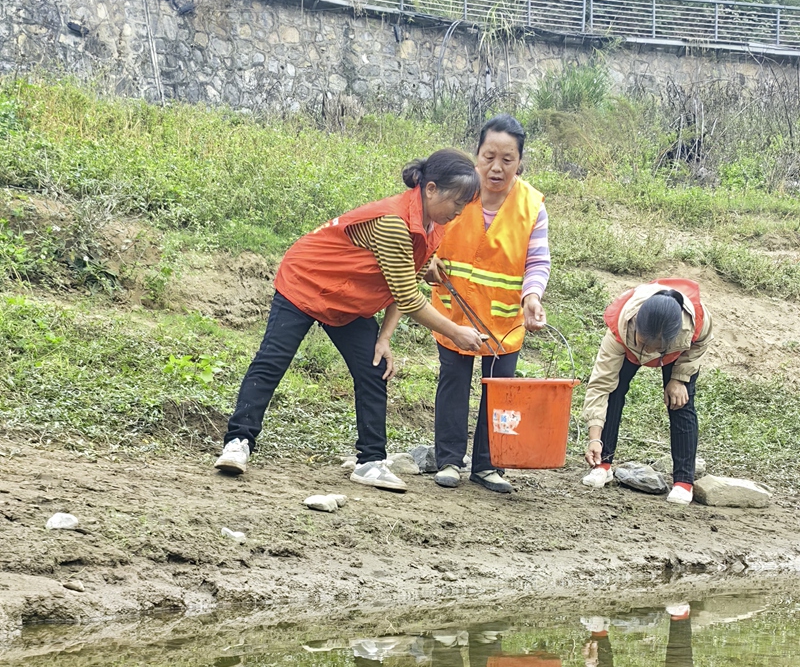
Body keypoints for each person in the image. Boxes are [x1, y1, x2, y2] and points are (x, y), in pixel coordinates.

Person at [214, 150, 485, 491]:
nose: (460, 210)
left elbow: (405, 281)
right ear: (431, 189)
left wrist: (384, 338)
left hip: (348, 300)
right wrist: (455, 331)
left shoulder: (434, 227)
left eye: (466, 203)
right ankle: (238, 443)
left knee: (373, 367)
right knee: (273, 360)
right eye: (457, 200)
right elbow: (409, 297)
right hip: (307, 280)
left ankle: (370, 462)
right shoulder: (393, 223)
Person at [426, 114, 551, 495]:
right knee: (453, 383)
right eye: (488, 156)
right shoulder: (459, 192)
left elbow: (537, 261)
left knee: (499, 389)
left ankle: (489, 465)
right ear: (476, 155)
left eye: (507, 159)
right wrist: (427, 261)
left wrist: (532, 297)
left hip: (504, 319)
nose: (496, 167)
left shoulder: (532, 206)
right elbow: (428, 231)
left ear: (520, 161)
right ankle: (448, 460)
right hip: (454, 310)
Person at [582, 278, 714, 505]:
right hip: (627, 348)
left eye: (656, 347)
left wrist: (679, 378)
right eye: (644, 343)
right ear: (635, 323)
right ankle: (603, 463)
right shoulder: (620, 329)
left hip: (676, 354)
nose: (649, 351)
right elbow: (600, 385)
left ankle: (684, 481)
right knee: (614, 390)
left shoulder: (692, 325)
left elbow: (701, 343)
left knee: (680, 401)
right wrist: (594, 438)